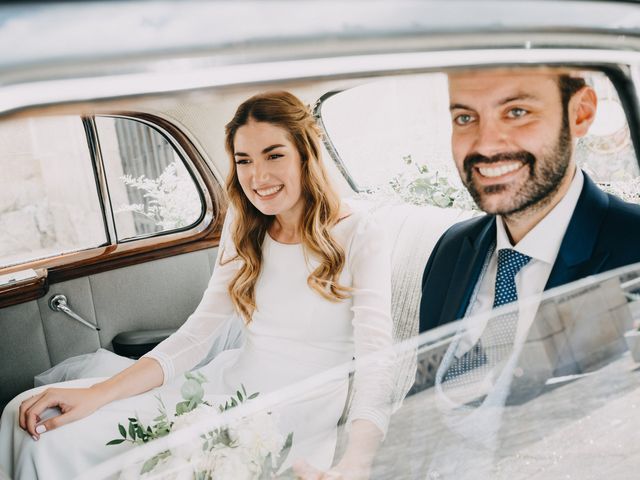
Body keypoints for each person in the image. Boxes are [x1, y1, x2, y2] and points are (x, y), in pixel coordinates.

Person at [0, 91, 393, 480]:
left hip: (293, 418)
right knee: (32, 421)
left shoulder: (360, 232)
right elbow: (194, 337)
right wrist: (97, 394)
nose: (258, 177)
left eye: (274, 155)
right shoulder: (245, 227)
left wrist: (356, 463)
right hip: (221, 390)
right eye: (244, 160)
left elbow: (378, 361)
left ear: (306, 155)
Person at [419, 67, 640, 333]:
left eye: (517, 112)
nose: (485, 145)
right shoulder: (451, 250)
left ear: (580, 113)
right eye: (465, 117)